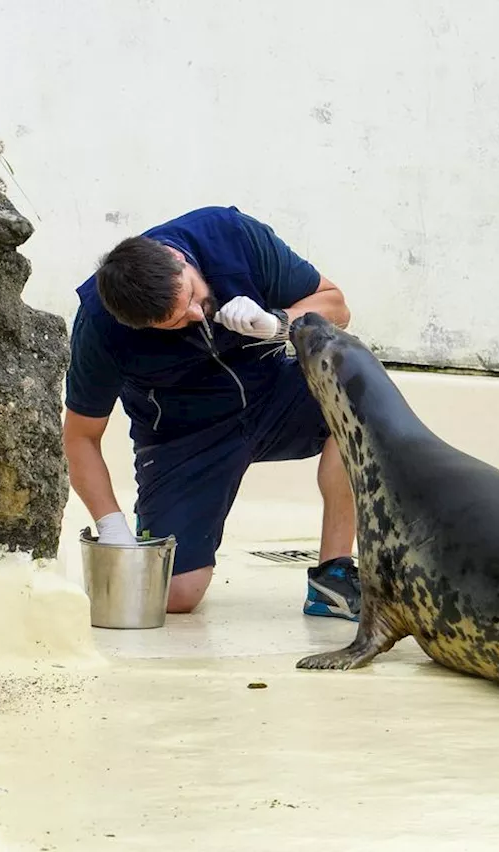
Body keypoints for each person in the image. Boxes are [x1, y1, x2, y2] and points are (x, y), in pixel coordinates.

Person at [62, 205, 362, 619]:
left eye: (190, 298)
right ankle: (169, 530)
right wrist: (112, 529)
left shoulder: (230, 235)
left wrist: (279, 322)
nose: (196, 316)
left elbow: (337, 307)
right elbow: (81, 437)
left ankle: (334, 576)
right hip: (184, 438)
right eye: (173, 324)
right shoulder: (99, 325)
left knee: (355, 386)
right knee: (174, 594)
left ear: (179, 259)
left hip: (274, 395)